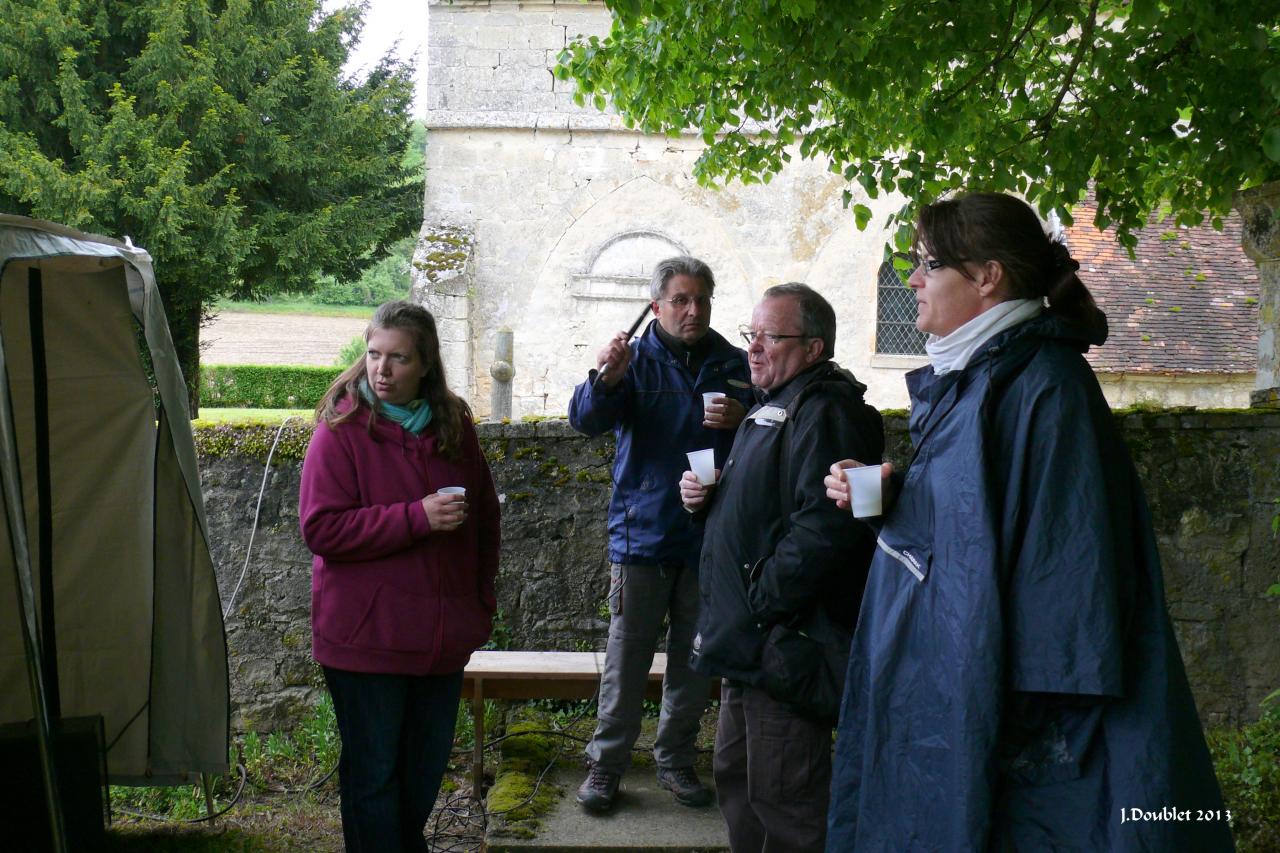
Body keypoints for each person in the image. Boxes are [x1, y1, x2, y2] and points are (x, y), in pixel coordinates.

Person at [824, 192, 1232, 851]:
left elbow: (1071, 579)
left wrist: (997, 742)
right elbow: (975, 525)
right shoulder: (979, 376)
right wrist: (893, 499)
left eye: (928, 263)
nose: (913, 279)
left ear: (988, 276)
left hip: (1012, 734)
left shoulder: (1045, 385)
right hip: (950, 693)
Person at [680, 283, 884, 853]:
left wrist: (762, 602)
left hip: (786, 643)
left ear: (814, 347)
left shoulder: (827, 410)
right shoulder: (773, 405)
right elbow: (762, 513)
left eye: (772, 336)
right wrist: (707, 503)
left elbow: (826, 527)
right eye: (753, 334)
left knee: (786, 799)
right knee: (739, 782)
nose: (755, 347)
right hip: (747, 642)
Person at [299, 301, 500, 853]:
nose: (381, 370)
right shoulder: (341, 430)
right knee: (373, 780)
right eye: (373, 355)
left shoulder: (455, 425)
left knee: (421, 777)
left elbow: (485, 518)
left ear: (426, 364)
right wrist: (416, 517)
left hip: (439, 642)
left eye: (398, 358)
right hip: (367, 642)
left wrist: (478, 604)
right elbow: (321, 529)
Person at [568, 255, 754, 812]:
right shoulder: (634, 359)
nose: (692, 310)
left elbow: (775, 421)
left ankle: (675, 760)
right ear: (656, 307)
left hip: (711, 539)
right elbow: (585, 420)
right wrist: (608, 377)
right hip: (642, 535)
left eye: (701, 299)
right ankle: (607, 767)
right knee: (626, 661)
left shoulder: (734, 362)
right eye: (680, 300)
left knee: (695, 662)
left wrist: (743, 413)